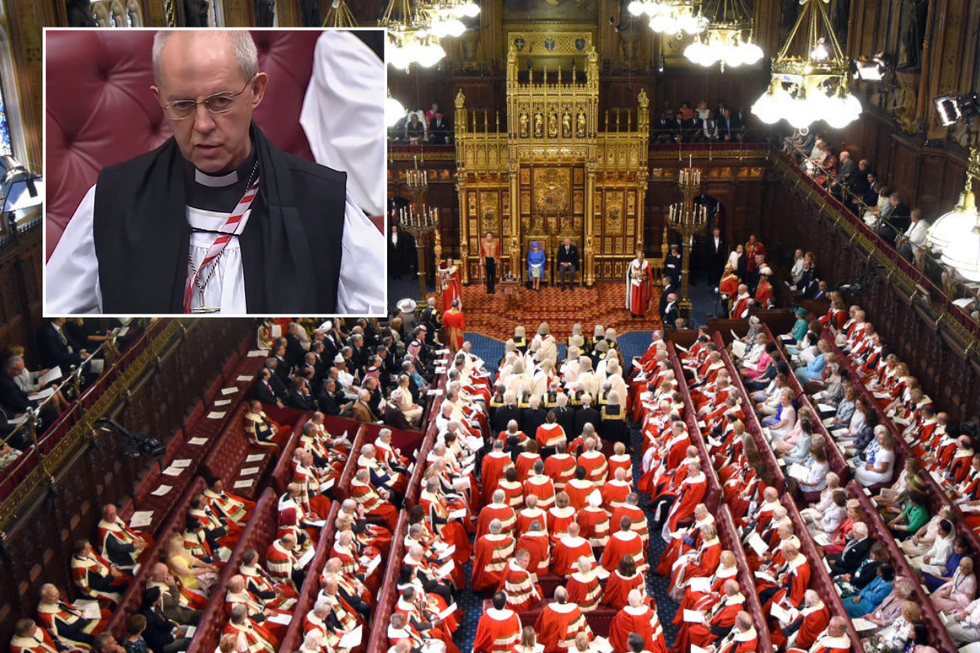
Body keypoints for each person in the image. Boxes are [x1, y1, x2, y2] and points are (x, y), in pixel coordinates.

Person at [46, 30, 384, 314]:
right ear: (160, 99)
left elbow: (373, 306)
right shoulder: (111, 201)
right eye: (182, 105)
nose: (203, 125)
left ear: (256, 90)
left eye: (220, 101)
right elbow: (62, 316)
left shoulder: (323, 201)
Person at [626, 248, 654, 318]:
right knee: (634, 298)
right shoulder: (633, 264)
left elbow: (649, 276)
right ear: (637, 257)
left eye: (641, 258)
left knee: (642, 298)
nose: (640, 259)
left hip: (643, 284)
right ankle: (634, 312)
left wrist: (643, 277)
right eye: (639, 257)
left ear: (643, 257)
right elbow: (629, 275)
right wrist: (636, 276)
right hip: (635, 284)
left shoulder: (647, 264)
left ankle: (641, 312)